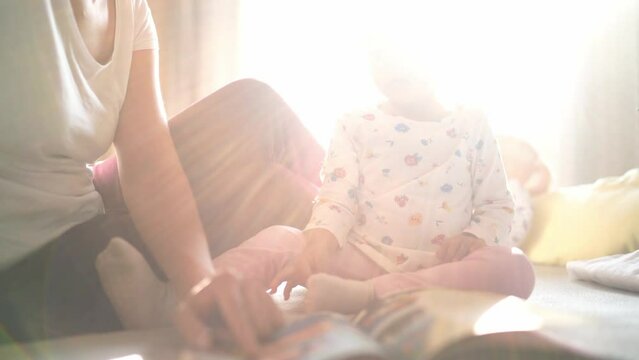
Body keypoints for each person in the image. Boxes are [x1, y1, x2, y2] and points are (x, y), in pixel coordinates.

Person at [107, 32, 536, 322]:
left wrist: (478, 237)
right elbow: (337, 198)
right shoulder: (355, 122)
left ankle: (373, 297)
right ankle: (176, 301)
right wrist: (317, 245)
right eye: (380, 54)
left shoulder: (472, 124)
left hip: (442, 270)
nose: (393, 64)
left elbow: (498, 204)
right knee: (281, 237)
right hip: (361, 259)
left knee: (514, 267)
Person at [0, 0, 323, 354]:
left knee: (256, 107)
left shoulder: (130, 9)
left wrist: (199, 284)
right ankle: (365, 244)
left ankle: (363, 233)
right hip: (29, 266)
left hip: (92, 218)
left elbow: (149, 165)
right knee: (284, 200)